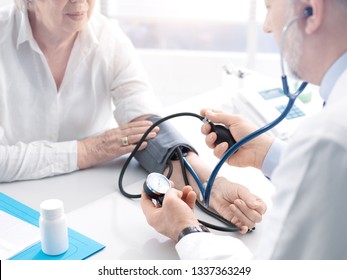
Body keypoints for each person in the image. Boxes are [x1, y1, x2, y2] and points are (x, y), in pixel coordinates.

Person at [0, 0, 266, 232]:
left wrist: (212, 185)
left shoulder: (108, 38)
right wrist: (85, 151)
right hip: (15, 202)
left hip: (91, 199)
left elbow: (147, 127)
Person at [141, 0, 347, 259]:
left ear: (311, 11)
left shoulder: (326, 140)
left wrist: (186, 230)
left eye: (270, 7)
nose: (267, 27)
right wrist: (266, 153)